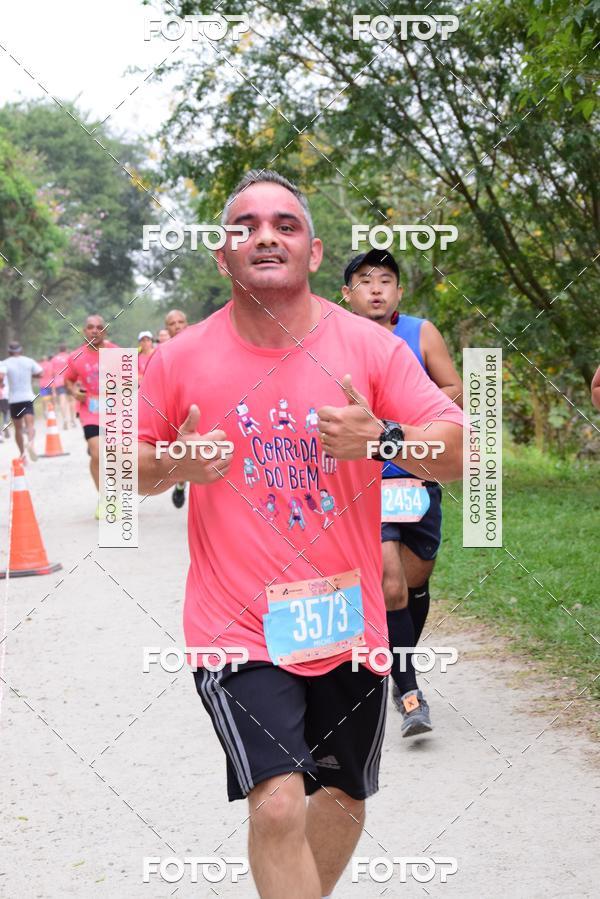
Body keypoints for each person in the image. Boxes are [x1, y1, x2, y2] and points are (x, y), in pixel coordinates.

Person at [138, 170, 463, 899]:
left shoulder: (373, 349)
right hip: (237, 625)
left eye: (285, 225)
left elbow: (464, 448)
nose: (265, 235)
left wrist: (385, 437)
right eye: (245, 225)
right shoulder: (179, 356)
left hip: (345, 619)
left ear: (313, 252)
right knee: (279, 799)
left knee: (344, 797)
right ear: (222, 255)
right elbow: (117, 473)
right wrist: (169, 462)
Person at [342, 248, 463, 738]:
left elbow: (452, 387)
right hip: (367, 478)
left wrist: (408, 416)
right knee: (390, 583)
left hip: (418, 470)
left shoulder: (421, 332)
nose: (376, 288)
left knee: (413, 583)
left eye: (386, 280)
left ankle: (398, 656)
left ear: (398, 291)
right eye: (365, 280)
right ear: (347, 293)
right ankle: (409, 687)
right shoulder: (332, 339)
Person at [64, 315, 118, 518]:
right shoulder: (76, 357)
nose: (95, 331)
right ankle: (105, 499)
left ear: (105, 331)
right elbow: (68, 381)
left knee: (112, 455)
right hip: (91, 411)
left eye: (99, 327)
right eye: (90, 327)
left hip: (115, 411)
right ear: (84, 331)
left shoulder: (116, 352)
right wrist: (74, 393)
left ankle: (114, 492)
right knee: (97, 453)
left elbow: (134, 379)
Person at [163, 309, 189, 508]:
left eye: (181, 321)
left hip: (197, 404)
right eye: (173, 323)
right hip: (174, 407)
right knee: (182, 450)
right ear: (167, 328)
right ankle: (180, 484)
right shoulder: (163, 353)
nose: (178, 326)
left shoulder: (198, 346)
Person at [0, 341, 42, 460]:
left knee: (18, 428)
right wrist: (30, 376)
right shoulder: (29, 361)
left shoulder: (5, 363)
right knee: (30, 425)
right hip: (27, 397)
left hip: (14, 400)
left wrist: (1, 383)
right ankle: (31, 444)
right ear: (21, 350)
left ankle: (22, 454)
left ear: (9, 352)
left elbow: (1, 376)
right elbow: (40, 373)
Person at [51, 344, 76, 429]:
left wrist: (53, 387)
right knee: (71, 400)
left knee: (62, 401)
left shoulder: (54, 359)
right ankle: (72, 420)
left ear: (59, 350)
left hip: (59, 382)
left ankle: (65, 419)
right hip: (69, 381)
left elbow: (52, 373)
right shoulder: (70, 357)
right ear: (66, 349)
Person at [0, 359, 10, 442]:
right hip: (4, 393)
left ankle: (0, 435)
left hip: (3, 392)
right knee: (6, 412)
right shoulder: (3, 365)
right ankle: (5, 425)